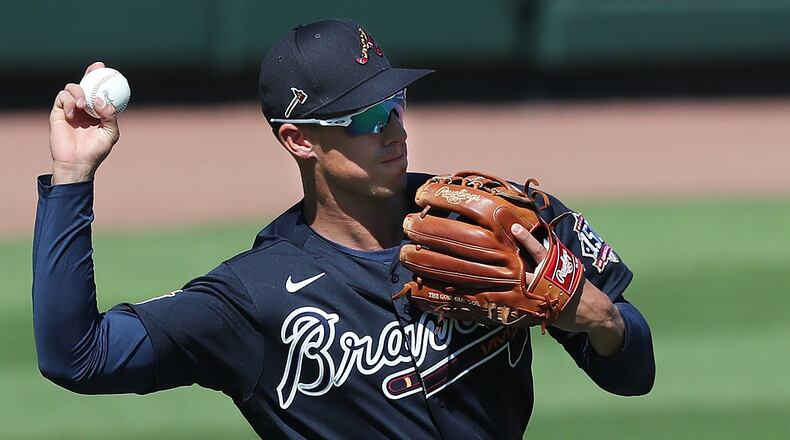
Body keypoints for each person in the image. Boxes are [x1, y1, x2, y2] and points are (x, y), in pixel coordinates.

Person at [34, 19, 655, 438]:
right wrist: (71, 177)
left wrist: (598, 319)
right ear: (298, 139)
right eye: (365, 116)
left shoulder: (490, 219)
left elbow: (633, 372)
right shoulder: (257, 298)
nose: (394, 128)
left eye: (396, 103)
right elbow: (77, 358)